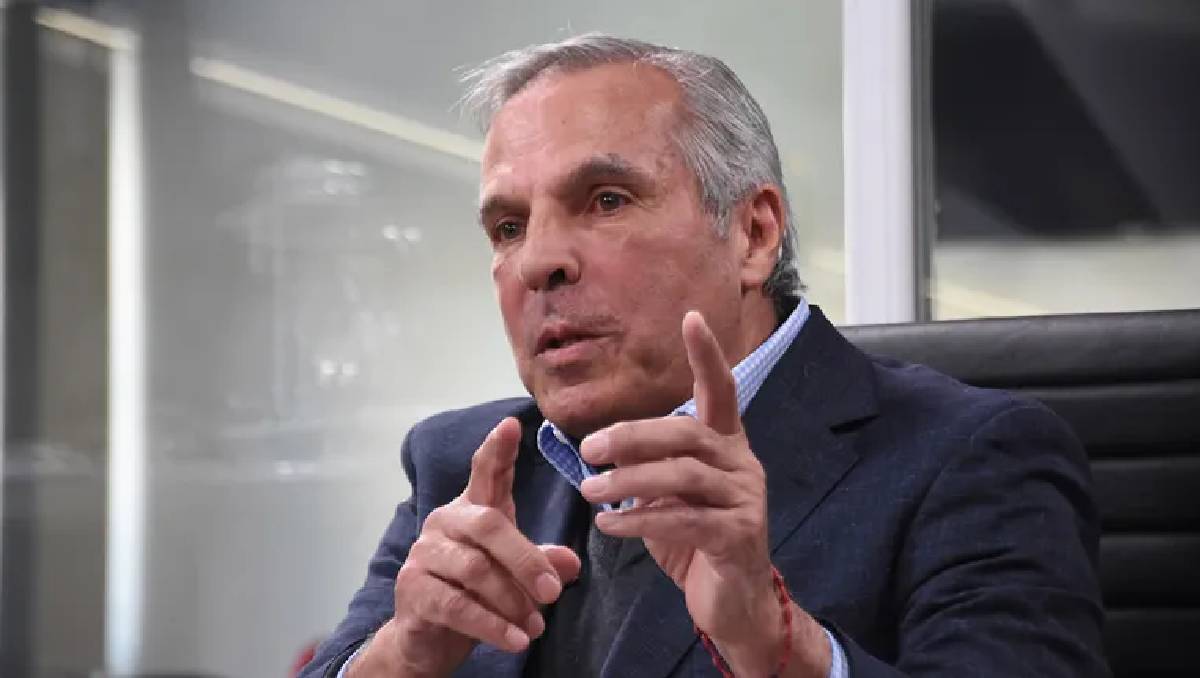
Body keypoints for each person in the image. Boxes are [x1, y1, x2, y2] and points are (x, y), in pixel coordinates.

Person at [301, 34, 1108, 678]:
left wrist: (777, 646)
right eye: (509, 227)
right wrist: (402, 656)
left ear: (753, 234)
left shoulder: (972, 458)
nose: (539, 261)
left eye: (606, 200)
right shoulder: (460, 464)